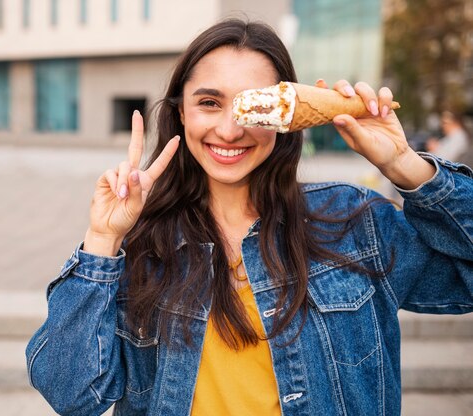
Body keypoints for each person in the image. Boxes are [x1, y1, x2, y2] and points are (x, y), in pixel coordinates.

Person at [26, 19, 473, 416]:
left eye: (252, 106)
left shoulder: (353, 223)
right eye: (209, 103)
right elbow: (72, 394)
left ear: (286, 120)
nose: (229, 129)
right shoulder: (143, 245)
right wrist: (102, 239)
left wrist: (407, 167)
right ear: (182, 113)